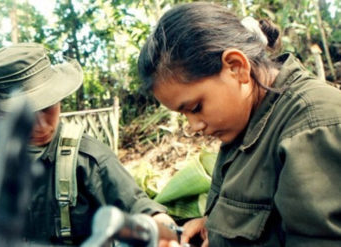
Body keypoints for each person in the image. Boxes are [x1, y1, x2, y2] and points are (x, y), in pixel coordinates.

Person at [138, 2, 341, 247]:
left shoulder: (312, 128)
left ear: (236, 67)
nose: (194, 126)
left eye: (195, 108)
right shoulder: (245, 121)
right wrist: (211, 225)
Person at [0, 42, 175, 246]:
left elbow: (142, 209)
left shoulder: (88, 158)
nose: (41, 124)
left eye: (47, 106)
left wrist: (162, 229)